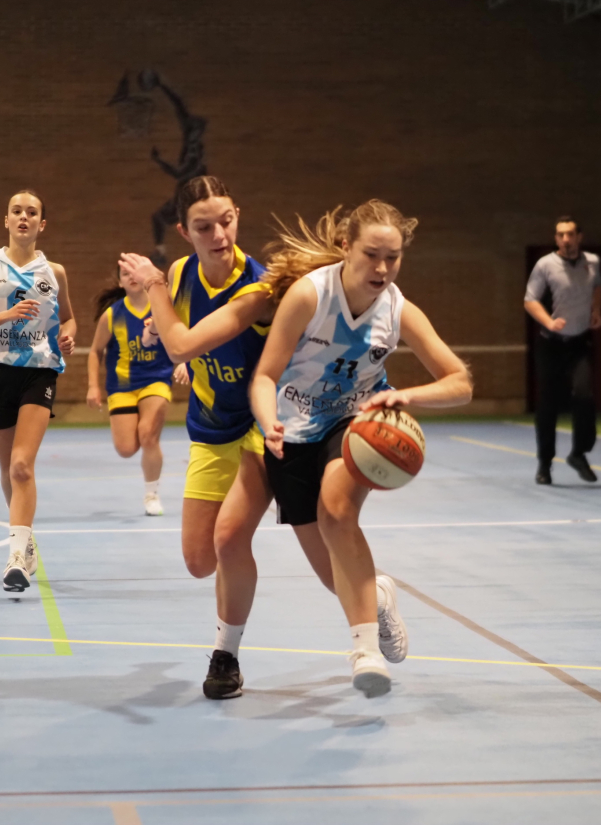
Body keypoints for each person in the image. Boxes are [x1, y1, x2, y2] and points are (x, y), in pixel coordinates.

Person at [121, 176, 355, 702]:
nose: (219, 235)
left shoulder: (258, 288)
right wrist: (155, 326)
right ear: (185, 232)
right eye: (204, 227)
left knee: (232, 540)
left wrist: (153, 289)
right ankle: (371, 595)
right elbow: (175, 331)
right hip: (209, 426)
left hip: (263, 423)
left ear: (237, 217)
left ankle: (226, 657)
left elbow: (183, 344)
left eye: (226, 221)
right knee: (199, 560)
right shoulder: (181, 275)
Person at [250, 200, 473, 697]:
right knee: (334, 575)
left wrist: (406, 396)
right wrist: (268, 422)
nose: (382, 268)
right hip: (292, 430)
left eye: (393, 258)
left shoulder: (397, 310)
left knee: (336, 512)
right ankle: (381, 597)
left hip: (355, 423)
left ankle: (365, 652)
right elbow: (265, 375)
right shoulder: (309, 296)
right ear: (346, 246)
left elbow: (461, 383)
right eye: (372, 255)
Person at [0, 190, 76, 592]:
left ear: (42, 224)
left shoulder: (54, 272)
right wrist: (7, 315)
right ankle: (26, 541)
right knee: (9, 469)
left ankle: (15, 559)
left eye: (32, 212)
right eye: (17, 211)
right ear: (5, 220)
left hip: (39, 373)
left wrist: (68, 336)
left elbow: (69, 320)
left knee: (23, 465)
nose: (24, 217)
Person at [86, 266, 186, 515]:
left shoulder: (163, 308)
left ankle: (152, 494)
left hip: (156, 379)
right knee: (126, 448)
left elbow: (184, 336)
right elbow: (95, 351)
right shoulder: (112, 315)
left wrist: (185, 362)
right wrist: (93, 386)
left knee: (148, 434)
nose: (131, 277)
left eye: (135, 273)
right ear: (120, 282)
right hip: (122, 385)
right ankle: (144, 452)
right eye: (125, 274)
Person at [524, 217, 601, 485]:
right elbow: (530, 300)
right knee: (548, 404)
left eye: (570, 234)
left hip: (580, 342)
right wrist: (548, 322)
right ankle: (544, 464)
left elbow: (598, 285)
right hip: (551, 343)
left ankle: (579, 453)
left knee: (584, 394)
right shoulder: (545, 265)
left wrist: (597, 310)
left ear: (579, 236)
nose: (565, 239)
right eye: (560, 235)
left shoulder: (592, 262)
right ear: (556, 238)